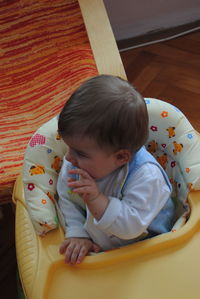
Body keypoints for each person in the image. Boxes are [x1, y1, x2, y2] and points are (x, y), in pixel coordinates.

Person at [57, 75, 175, 265]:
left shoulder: (147, 176)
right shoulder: (76, 162)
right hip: (103, 247)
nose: (69, 157)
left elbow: (132, 227)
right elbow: (67, 197)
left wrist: (96, 199)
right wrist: (78, 233)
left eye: (80, 153)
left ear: (121, 157)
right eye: (68, 147)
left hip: (149, 246)